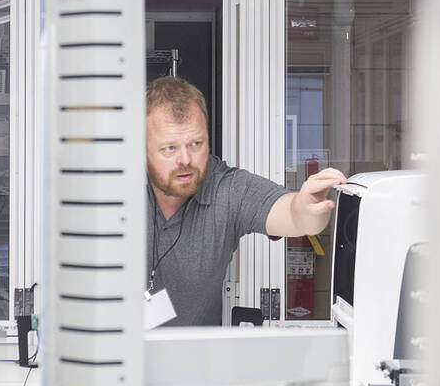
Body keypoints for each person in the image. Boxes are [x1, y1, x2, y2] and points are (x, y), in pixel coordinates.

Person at [145, 76, 346, 326]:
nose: (185, 159)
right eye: (169, 149)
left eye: (196, 143)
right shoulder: (110, 188)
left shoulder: (227, 189)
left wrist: (308, 209)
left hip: (194, 359)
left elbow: (293, 214)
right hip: (112, 360)